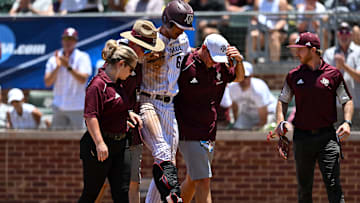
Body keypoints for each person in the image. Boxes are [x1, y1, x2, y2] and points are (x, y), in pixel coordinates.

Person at [274, 32, 353, 203]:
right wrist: (281, 122)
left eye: (300, 49)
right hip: (302, 137)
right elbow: (282, 101)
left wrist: (347, 122)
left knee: (333, 185)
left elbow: (347, 100)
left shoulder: (334, 74)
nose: (297, 53)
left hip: (328, 137)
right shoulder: (293, 75)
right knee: (304, 189)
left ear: (313, 50)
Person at [175, 33, 245, 203]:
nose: (215, 62)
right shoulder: (185, 64)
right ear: (203, 49)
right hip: (188, 130)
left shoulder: (220, 65)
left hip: (209, 131)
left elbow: (239, 77)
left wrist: (239, 61)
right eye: (213, 57)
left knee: (194, 178)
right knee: (203, 180)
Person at [138, 0, 194, 202]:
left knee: (168, 160)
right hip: (148, 100)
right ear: (167, 22)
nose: (181, 31)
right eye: (178, 26)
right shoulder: (149, 40)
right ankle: (172, 195)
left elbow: (188, 57)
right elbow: (123, 54)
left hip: (169, 104)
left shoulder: (183, 40)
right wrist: (143, 56)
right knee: (162, 152)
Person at [78, 40, 142, 202]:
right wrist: (99, 143)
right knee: (91, 193)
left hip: (121, 144)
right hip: (101, 144)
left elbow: (115, 106)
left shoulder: (117, 84)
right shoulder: (98, 85)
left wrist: (128, 114)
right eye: (130, 69)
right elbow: (90, 115)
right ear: (121, 64)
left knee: (122, 192)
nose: (131, 73)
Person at [119, 19, 165, 203]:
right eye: (144, 48)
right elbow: (107, 93)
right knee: (103, 182)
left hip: (133, 125)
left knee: (133, 182)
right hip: (113, 125)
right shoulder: (117, 60)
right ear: (132, 43)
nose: (146, 53)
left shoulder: (141, 60)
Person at [44, 27, 92, 130]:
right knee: (57, 141)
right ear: (62, 40)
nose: (68, 42)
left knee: (78, 141)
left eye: (71, 39)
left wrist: (68, 67)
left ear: (75, 41)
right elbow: (47, 82)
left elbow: (83, 79)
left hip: (77, 107)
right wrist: (57, 67)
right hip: (59, 106)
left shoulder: (82, 57)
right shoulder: (54, 59)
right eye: (66, 39)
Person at [323, 21, 360, 130]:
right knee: (333, 142)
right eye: (341, 32)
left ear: (351, 35)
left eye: (347, 32)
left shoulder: (359, 52)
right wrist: (338, 69)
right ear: (337, 34)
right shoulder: (329, 53)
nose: (344, 35)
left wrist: (344, 66)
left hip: (356, 105)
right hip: (334, 107)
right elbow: (324, 80)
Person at [220, 61, 277, 130]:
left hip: (269, 112)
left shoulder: (258, 88)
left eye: (245, 76)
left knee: (263, 130)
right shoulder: (232, 87)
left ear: (251, 76)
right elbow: (235, 106)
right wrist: (236, 121)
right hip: (248, 113)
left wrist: (257, 128)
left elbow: (263, 118)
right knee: (237, 128)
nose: (242, 79)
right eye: (239, 75)